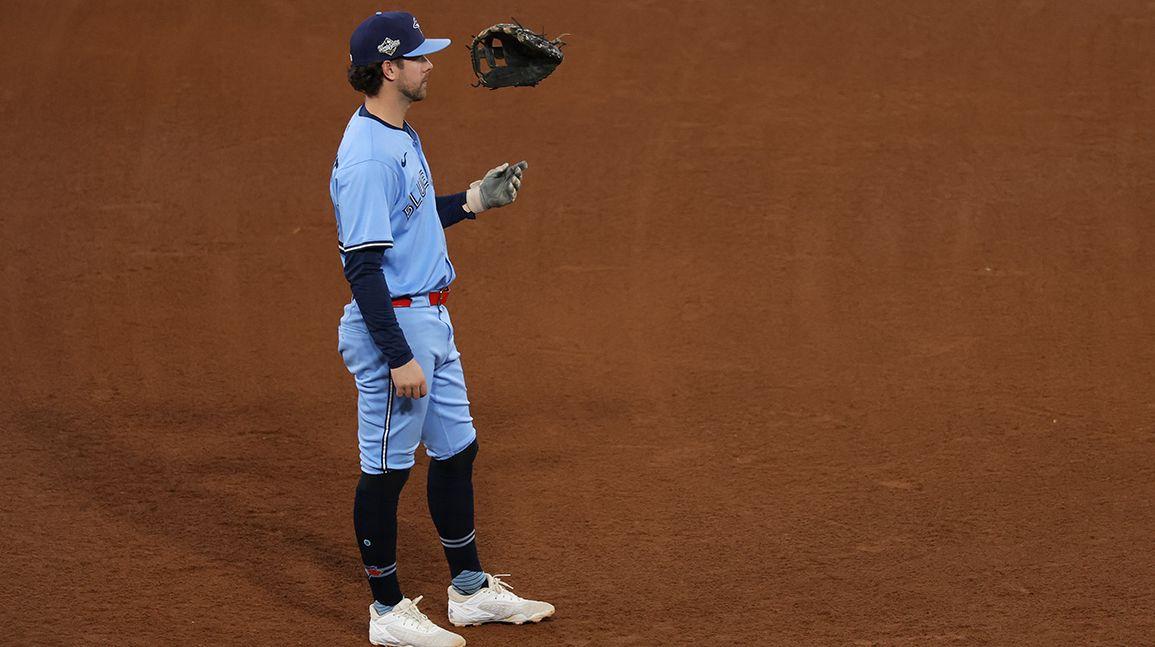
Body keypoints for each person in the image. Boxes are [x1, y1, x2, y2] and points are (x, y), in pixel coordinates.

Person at [329, 10, 554, 647]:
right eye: (420, 57)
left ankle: (470, 590)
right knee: (386, 470)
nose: (432, 64)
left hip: (428, 317)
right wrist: (398, 356)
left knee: (457, 451)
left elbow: (414, 220)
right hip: (395, 328)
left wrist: (475, 202)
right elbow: (364, 269)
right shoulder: (368, 158)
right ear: (389, 68)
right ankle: (387, 612)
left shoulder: (399, 133)